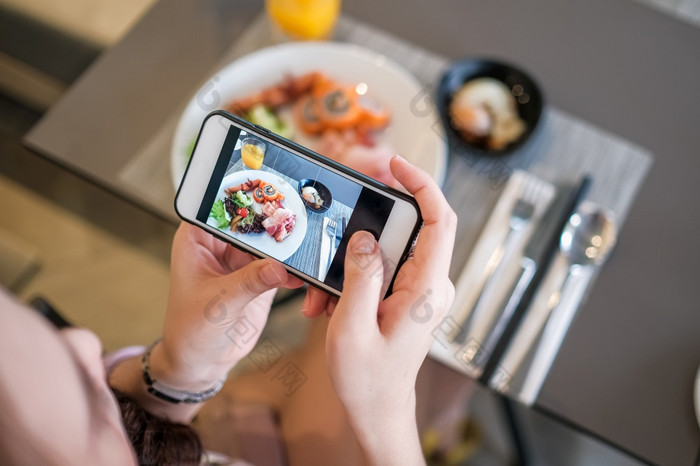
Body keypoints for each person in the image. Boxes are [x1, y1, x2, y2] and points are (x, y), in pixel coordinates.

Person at [0, 155, 460, 465]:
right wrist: (391, 417)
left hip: (206, 438)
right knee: (442, 365)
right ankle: (451, 428)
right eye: (87, 397)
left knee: (345, 328)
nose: (83, 341)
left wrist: (177, 374)